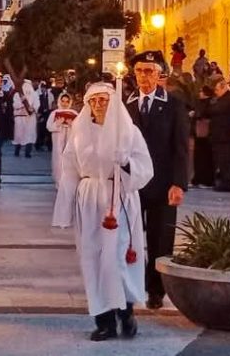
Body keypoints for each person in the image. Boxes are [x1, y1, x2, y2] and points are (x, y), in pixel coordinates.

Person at [53, 82, 154, 342]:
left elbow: (145, 169)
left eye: (103, 99)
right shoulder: (79, 132)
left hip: (118, 199)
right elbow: (70, 169)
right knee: (95, 259)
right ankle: (104, 320)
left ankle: (126, 311)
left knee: (117, 258)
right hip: (90, 201)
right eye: (93, 100)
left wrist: (126, 163)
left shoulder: (128, 132)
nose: (98, 104)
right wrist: (65, 208)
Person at [124, 51, 188, 310]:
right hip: (133, 184)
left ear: (159, 73)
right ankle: (132, 284)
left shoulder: (173, 104)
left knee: (161, 239)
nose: (144, 76)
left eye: (149, 71)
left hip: (163, 183)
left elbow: (182, 147)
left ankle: (156, 289)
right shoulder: (125, 104)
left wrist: (179, 183)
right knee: (130, 237)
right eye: (139, 71)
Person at [204, 77, 230, 192]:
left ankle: (227, 183)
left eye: (217, 89)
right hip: (219, 135)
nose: (215, 92)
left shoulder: (229, 99)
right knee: (220, 160)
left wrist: (212, 104)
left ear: (223, 87)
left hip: (226, 135)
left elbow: (213, 110)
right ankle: (223, 181)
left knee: (226, 160)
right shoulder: (221, 99)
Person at [46, 92, 77, 182]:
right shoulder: (54, 113)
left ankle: (69, 181)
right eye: (63, 101)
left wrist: (72, 124)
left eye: (67, 102)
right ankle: (59, 181)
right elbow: (49, 127)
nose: (65, 104)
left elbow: (80, 128)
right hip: (58, 139)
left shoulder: (74, 112)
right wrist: (57, 123)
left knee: (70, 159)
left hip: (70, 139)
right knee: (58, 159)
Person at [11, 75, 39, 158]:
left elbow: (37, 104)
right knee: (19, 135)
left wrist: (33, 108)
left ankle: (28, 152)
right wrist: (23, 105)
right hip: (20, 117)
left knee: (29, 135)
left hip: (30, 118)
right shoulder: (17, 94)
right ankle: (17, 150)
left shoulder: (34, 94)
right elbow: (15, 105)